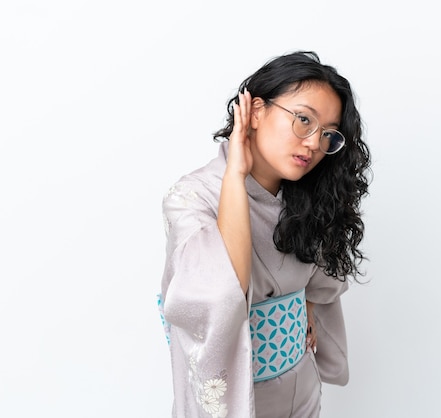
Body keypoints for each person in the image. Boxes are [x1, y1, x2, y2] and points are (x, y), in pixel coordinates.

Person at [158, 50, 371, 417]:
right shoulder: (193, 197)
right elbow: (225, 290)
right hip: (244, 398)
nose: (312, 143)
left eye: (327, 135)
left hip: (301, 386)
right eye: (303, 120)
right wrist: (235, 178)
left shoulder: (304, 195)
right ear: (256, 111)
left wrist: (305, 302)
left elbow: (322, 276)